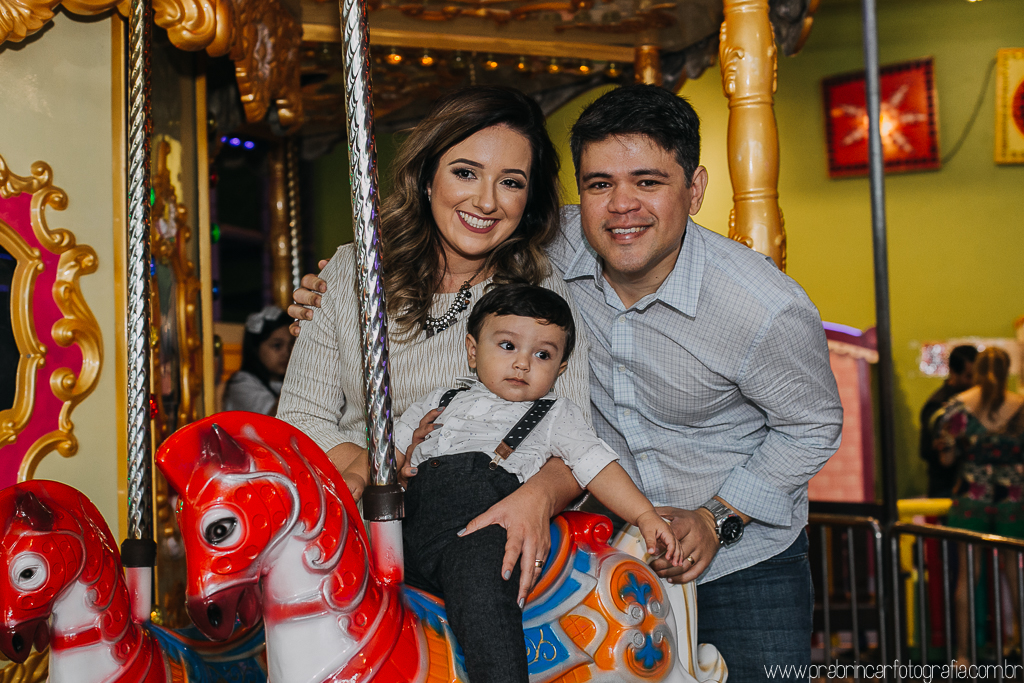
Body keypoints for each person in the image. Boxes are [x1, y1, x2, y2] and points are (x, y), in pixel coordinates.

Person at [291, 84, 843, 679]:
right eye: (600, 184)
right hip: (542, 543)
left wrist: (717, 517)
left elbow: (813, 425)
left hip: (736, 552)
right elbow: (302, 414)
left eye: (650, 182)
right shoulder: (536, 257)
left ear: (696, 188)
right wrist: (373, 462)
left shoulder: (753, 305)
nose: (622, 205)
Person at [277, 86, 594, 610]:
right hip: (359, 515)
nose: (486, 201)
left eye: (510, 183)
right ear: (427, 178)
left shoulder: (542, 294)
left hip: (479, 520)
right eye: (465, 172)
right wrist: (383, 471)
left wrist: (534, 498)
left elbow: (572, 431)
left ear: (529, 199)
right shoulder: (355, 271)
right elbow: (302, 416)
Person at [342, 284, 680, 682]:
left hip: (481, 532)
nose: (522, 363)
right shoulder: (442, 398)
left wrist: (643, 514)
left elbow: (596, 465)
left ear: (561, 368)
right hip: (409, 531)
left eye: (542, 354)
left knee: (483, 604)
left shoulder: (555, 414)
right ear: (472, 350)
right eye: (507, 346)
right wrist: (355, 475)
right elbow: (389, 450)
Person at [935, 346, 1024, 661]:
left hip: (971, 497)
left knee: (967, 576)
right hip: (1012, 500)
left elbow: (945, 458)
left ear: (975, 370)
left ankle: (963, 655)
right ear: (1008, 369)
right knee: (1015, 571)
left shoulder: (958, 409)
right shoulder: (1021, 406)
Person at [920, 344, 978, 497]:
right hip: (946, 488)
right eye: (969, 376)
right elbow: (938, 455)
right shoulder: (938, 406)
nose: (975, 382)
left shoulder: (977, 401)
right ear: (953, 372)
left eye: (979, 375)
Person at [222, 305, 294, 415]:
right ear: (255, 348)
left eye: (291, 346)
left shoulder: (282, 382)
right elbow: (278, 417)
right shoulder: (242, 384)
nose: (287, 353)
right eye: (277, 345)